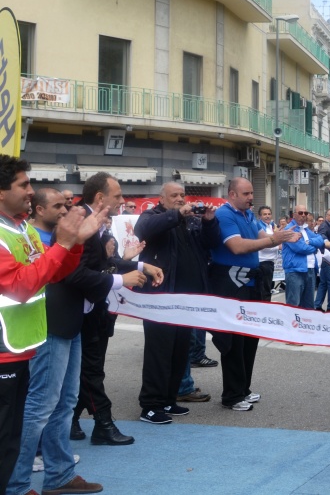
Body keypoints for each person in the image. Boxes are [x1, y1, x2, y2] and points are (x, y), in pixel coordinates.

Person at [7, 185, 135, 495]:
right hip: (47, 328)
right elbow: (63, 276)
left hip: (69, 323)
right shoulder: (33, 237)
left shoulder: (41, 236)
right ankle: (17, 484)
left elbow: (70, 270)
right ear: (38, 209)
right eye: (58, 207)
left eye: (67, 207)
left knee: (64, 403)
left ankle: (59, 475)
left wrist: (85, 243)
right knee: (40, 407)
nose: (65, 212)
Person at [73, 172, 163, 447]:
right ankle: (103, 423)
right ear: (100, 198)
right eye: (118, 196)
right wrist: (121, 279)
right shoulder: (80, 223)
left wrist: (140, 265)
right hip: (77, 310)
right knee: (90, 371)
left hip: (94, 308)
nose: (123, 202)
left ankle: (71, 418)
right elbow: (78, 273)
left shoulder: (99, 224)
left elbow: (107, 260)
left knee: (89, 369)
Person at [134, 183, 220, 425]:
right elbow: (143, 229)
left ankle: (169, 399)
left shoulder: (190, 220)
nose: (181, 199)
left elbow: (210, 244)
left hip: (186, 301)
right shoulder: (154, 216)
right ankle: (150, 406)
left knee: (179, 352)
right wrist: (177, 215)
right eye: (175, 195)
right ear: (162, 199)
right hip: (161, 298)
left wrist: (209, 221)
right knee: (158, 353)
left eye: (183, 195)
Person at [209, 178, 297, 410]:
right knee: (233, 341)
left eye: (251, 193)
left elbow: (262, 240)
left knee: (250, 338)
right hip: (229, 282)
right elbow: (237, 246)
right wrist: (272, 239)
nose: (251, 197)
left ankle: (243, 389)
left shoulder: (248, 215)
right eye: (246, 193)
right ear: (232, 194)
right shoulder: (224, 215)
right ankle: (232, 396)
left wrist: (285, 238)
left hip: (249, 282)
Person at [282, 205, 324, 310]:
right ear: (294, 215)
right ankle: (291, 326)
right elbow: (300, 248)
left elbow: (320, 240)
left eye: (305, 213)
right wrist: (314, 248)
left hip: (310, 270)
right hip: (295, 271)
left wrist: (309, 242)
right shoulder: (289, 229)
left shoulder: (306, 229)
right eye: (300, 213)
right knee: (294, 304)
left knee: (309, 306)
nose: (303, 215)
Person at [315, 208, 330, 312]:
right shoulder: (324, 225)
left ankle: (317, 305)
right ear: (326, 216)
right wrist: (326, 241)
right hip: (327, 257)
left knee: (324, 283)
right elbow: (322, 235)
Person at [255, 205, 279, 302]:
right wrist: (278, 246)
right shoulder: (260, 227)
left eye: (269, 214)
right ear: (259, 216)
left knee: (267, 289)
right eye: (264, 214)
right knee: (264, 291)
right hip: (263, 262)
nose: (267, 216)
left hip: (270, 262)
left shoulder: (270, 226)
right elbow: (264, 245)